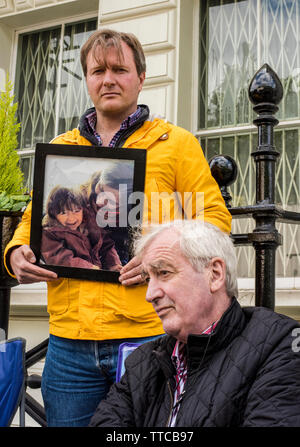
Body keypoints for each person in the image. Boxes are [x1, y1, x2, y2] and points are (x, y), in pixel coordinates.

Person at [4, 29, 232, 426]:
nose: (108, 78)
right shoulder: (62, 149)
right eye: (97, 71)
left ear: (140, 78)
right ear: (88, 80)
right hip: (69, 345)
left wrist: (161, 257)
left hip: (148, 334)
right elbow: (31, 224)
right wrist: (15, 254)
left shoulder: (175, 144)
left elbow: (213, 219)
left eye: (119, 69)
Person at [90, 220, 300, 427]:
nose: (150, 294)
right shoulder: (143, 361)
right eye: (148, 279)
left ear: (215, 274)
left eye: (164, 273)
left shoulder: (280, 346)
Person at [41, 185, 122, 271]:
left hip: (98, 275)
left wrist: (113, 263)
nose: (71, 218)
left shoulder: (91, 222)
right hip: (72, 279)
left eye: (76, 211)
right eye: (63, 213)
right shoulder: (50, 233)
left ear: (83, 209)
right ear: (53, 213)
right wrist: (90, 268)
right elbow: (61, 259)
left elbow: (106, 245)